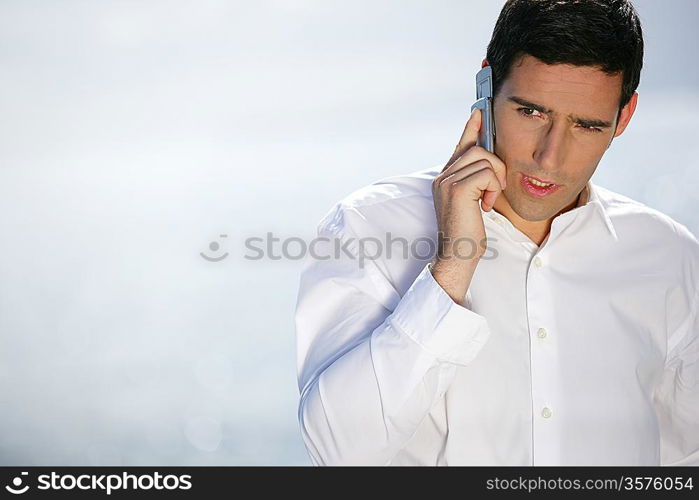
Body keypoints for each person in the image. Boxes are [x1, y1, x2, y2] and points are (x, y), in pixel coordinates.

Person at [294, 0, 699, 466]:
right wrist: (452, 266)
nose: (550, 158)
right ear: (486, 85)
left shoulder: (672, 259)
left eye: (586, 125)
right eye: (531, 113)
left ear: (624, 117)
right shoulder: (369, 227)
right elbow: (338, 453)